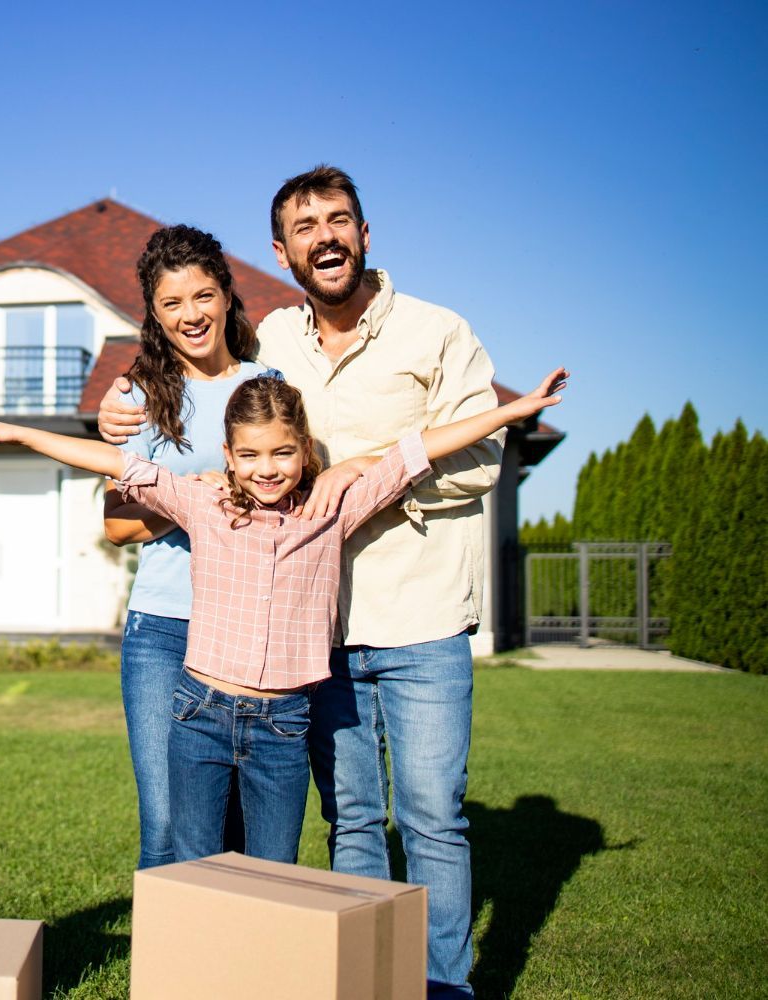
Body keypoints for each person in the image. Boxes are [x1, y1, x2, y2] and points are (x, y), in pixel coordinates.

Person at [99, 165, 507, 999]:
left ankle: (420, 984)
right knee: (283, 820)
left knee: (406, 817)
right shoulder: (207, 374)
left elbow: (464, 459)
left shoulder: (362, 347)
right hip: (241, 634)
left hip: (374, 618)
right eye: (306, 226)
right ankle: (254, 978)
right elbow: (130, 498)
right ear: (280, 253)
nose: (191, 314)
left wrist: (345, 487)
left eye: (339, 220)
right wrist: (172, 469)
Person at [0, 368, 566, 868]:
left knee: (271, 874)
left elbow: (418, 448)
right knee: (194, 869)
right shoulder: (201, 501)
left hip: (283, 725)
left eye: (282, 452)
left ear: (305, 451)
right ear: (227, 454)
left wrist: (512, 411)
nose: (266, 468)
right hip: (199, 714)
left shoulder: (333, 510)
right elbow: (114, 464)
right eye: (249, 454)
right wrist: (19, 433)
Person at [105, 224, 277, 869]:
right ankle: (165, 971)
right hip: (162, 630)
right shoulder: (141, 397)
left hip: (244, 628)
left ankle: (228, 963)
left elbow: (291, 489)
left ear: (227, 295)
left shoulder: (268, 384)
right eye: (172, 303)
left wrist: (230, 489)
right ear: (153, 313)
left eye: (202, 296)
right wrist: (193, 497)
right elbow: (117, 523)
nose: (191, 315)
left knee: (233, 819)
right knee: (167, 820)